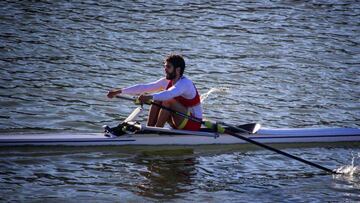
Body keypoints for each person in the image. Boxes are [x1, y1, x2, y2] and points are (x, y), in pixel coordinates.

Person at [107, 54, 202, 131]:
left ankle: (155, 131)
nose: (165, 69)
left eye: (168, 67)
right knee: (157, 99)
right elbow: (145, 87)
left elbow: (169, 94)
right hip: (179, 119)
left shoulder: (185, 83)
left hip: (193, 123)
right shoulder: (167, 81)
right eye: (165, 66)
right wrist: (118, 91)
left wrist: (148, 97)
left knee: (166, 99)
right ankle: (150, 128)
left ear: (178, 70)